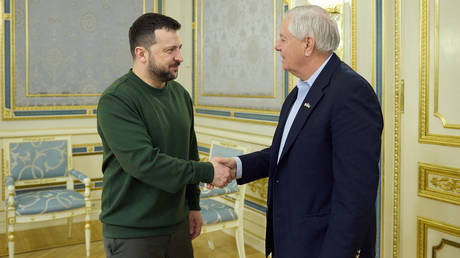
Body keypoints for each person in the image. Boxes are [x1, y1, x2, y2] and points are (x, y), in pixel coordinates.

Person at [213, 5, 383, 258]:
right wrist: (238, 166)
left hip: (324, 245)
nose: (276, 46)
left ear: (308, 44)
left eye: (283, 39)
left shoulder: (350, 92)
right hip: (293, 238)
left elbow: (356, 195)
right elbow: (286, 153)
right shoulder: (299, 93)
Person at [97, 13, 233, 258]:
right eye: (169, 50)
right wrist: (208, 171)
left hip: (177, 224)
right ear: (141, 54)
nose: (179, 57)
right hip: (132, 231)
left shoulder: (180, 94)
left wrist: (193, 205)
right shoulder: (116, 100)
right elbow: (144, 163)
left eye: (179, 48)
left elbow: (189, 151)